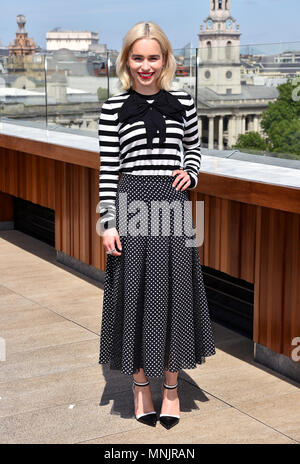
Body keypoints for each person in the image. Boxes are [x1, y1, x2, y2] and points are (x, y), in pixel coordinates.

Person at [98, 20, 216, 430]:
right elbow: (108, 170)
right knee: (134, 298)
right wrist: (107, 225)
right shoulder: (112, 107)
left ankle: (171, 390)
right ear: (126, 60)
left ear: (166, 59)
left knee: (175, 299)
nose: (145, 66)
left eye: (153, 57)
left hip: (174, 206)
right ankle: (140, 386)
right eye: (138, 57)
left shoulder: (184, 101)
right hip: (130, 205)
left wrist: (191, 172)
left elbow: (195, 149)